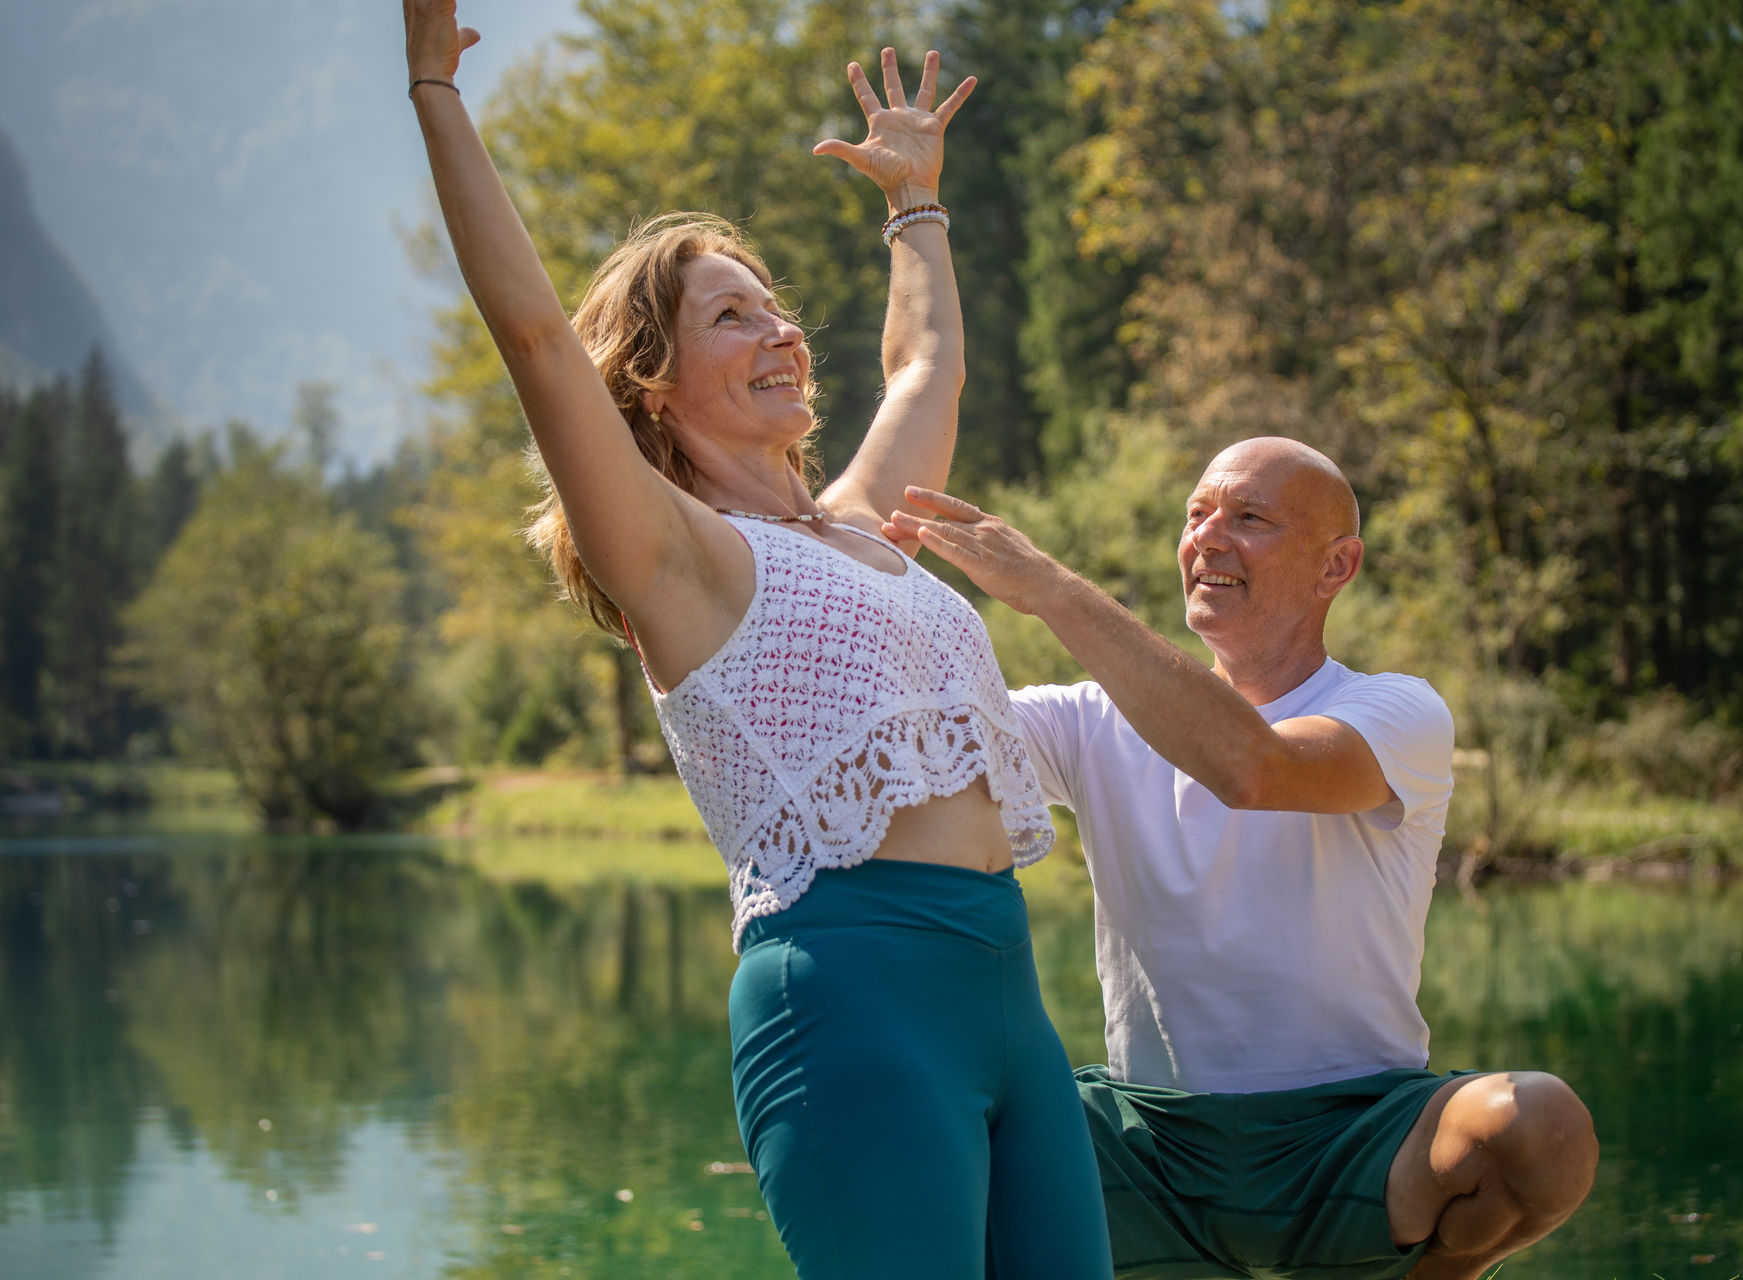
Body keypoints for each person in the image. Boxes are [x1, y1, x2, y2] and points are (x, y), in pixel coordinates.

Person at [400, 4, 1112, 1276]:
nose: (781, 331)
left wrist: (915, 208)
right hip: (849, 997)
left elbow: (925, 366)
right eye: (733, 316)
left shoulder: (858, 529)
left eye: (776, 307)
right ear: (655, 382)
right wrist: (434, 93)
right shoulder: (682, 558)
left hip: (1006, 993)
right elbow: (534, 342)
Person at [883, 437, 1598, 1280]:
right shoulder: (1085, 721)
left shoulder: (1397, 711)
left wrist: (1051, 590)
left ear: (1337, 567)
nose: (1208, 537)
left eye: (1248, 518)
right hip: (1146, 1148)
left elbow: (1255, 769)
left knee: (1539, 1125)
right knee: (928, 1109)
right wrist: (837, 569)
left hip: (1356, 1137)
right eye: (1196, 516)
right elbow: (901, 743)